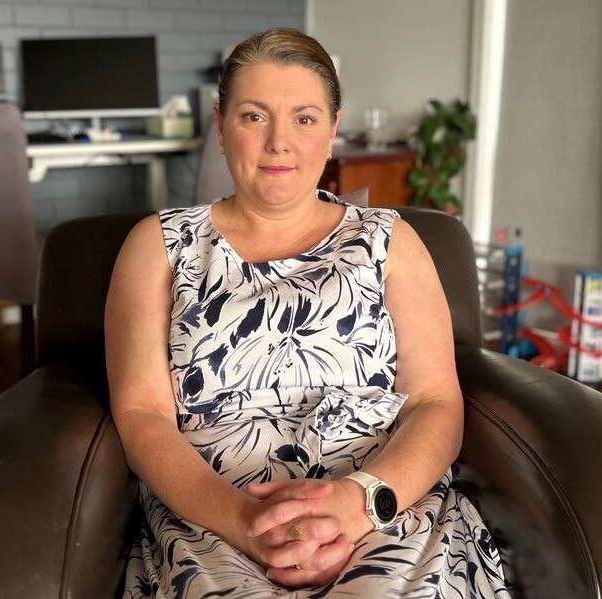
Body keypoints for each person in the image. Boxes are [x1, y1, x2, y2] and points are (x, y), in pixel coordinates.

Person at [105, 28, 510, 598]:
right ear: (220, 128)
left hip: (381, 507)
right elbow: (143, 415)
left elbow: (436, 403)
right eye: (253, 116)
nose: (279, 143)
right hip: (215, 520)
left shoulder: (391, 243)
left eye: (304, 118)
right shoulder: (158, 247)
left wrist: (361, 503)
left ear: (333, 129)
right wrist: (246, 522)